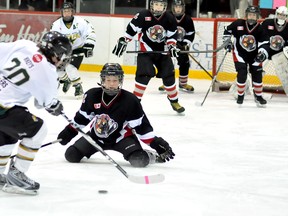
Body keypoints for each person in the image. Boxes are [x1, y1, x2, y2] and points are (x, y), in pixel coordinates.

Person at [57, 63, 175, 167]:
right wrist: (68, 133)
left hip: (121, 138)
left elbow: (141, 127)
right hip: (96, 137)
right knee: (71, 155)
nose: (111, 84)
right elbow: (81, 119)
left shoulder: (130, 100)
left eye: (115, 80)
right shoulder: (92, 95)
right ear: (102, 80)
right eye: (108, 80)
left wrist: (156, 143)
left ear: (120, 81)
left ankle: (151, 155)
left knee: (140, 160)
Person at [0, 31, 72, 195]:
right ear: (56, 54)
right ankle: (17, 173)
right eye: (63, 56)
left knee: (8, 134)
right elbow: (45, 104)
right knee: (38, 129)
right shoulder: (49, 73)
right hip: (4, 107)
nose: (62, 60)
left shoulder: (25, 45)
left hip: (6, 107)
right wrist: (56, 105)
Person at [112, 0, 185, 113]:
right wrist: (124, 40)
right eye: (156, 4)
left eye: (161, 5)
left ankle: (174, 101)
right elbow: (131, 30)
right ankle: (135, 102)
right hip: (145, 52)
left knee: (169, 74)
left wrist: (172, 46)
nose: (158, 7)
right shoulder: (142, 15)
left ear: (165, 7)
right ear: (151, 5)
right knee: (144, 74)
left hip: (162, 52)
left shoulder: (169, 18)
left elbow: (171, 36)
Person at [51, 2, 97, 98]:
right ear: (61, 13)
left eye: (69, 11)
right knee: (57, 70)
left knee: (70, 67)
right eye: (65, 11)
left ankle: (78, 86)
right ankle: (66, 79)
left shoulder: (81, 22)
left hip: (78, 49)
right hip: (64, 51)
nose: (67, 13)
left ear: (72, 12)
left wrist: (89, 44)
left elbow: (90, 32)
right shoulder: (56, 24)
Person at [223, 5, 266, 106]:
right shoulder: (238, 23)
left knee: (257, 75)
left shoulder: (260, 28)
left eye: (254, 15)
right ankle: (240, 95)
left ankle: (258, 96)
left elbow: (264, 43)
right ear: (246, 15)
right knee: (242, 73)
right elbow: (227, 31)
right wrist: (227, 42)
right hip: (240, 54)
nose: (252, 17)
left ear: (257, 17)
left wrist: (262, 53)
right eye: (250, 15)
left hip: (255, 56)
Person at [159, 0, 195, 92]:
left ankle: (183, 84)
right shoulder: (167, 17)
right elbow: (163, 31)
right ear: (173, 7)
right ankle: (167, 83)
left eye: (180, 7)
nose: (178, 9)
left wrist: (186, 43)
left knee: (184, 62)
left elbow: (191, 33)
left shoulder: (187, 19)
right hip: (169, 45)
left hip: (181, 46)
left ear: (183, 8)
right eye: (176, 7)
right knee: (166, 63)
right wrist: (168, 42)